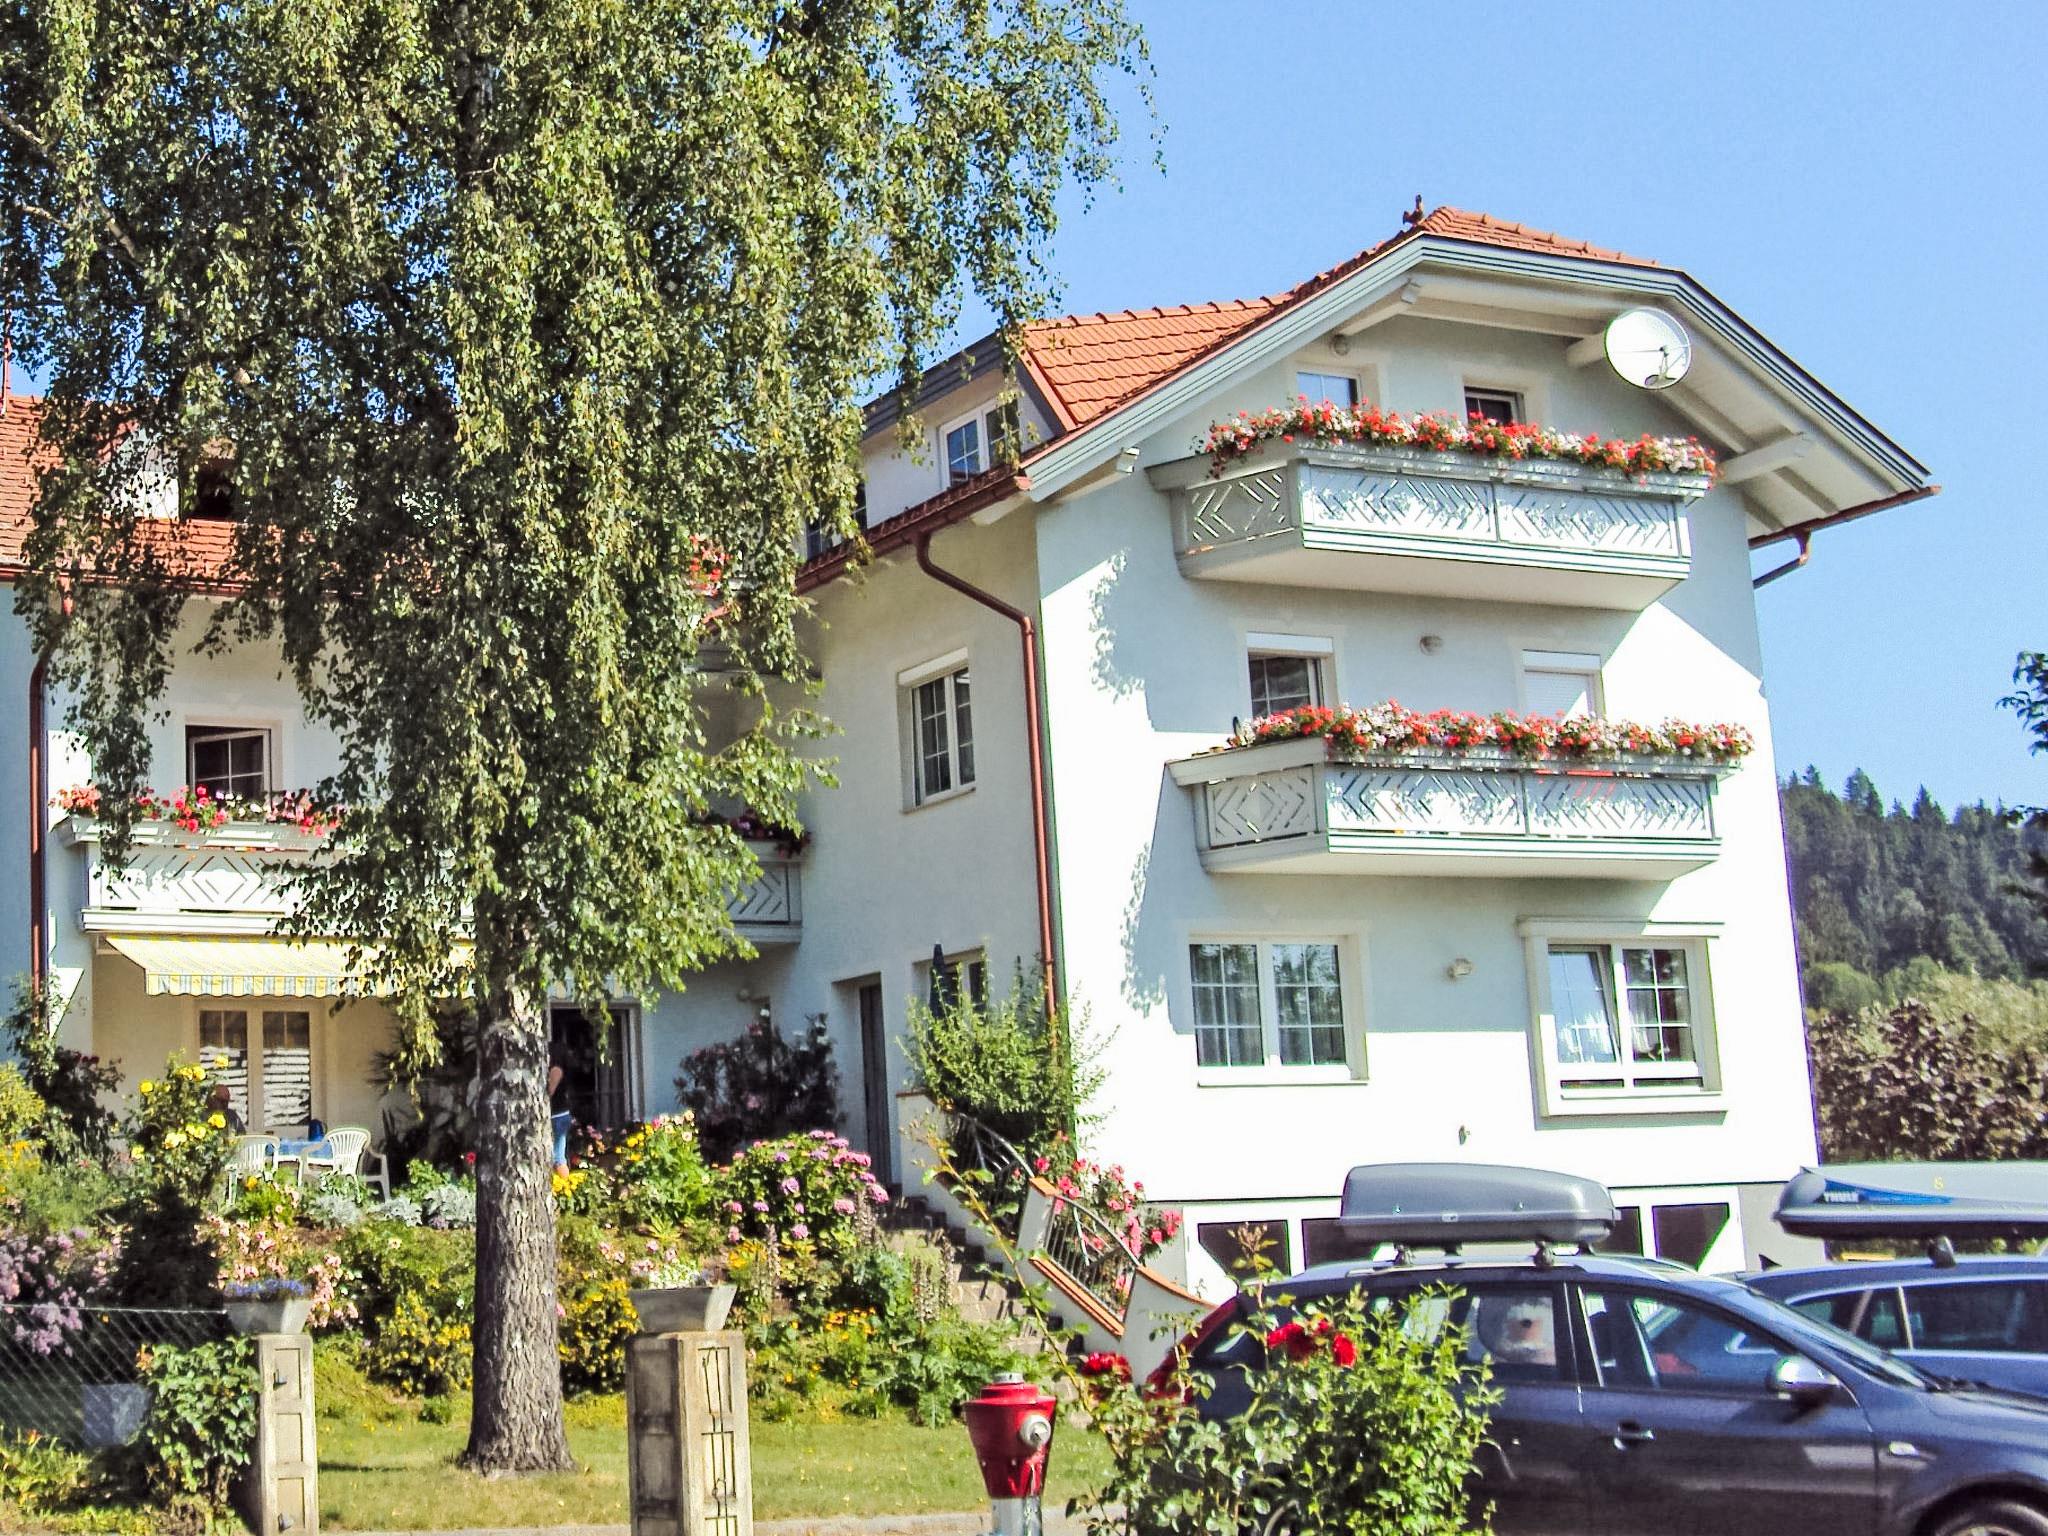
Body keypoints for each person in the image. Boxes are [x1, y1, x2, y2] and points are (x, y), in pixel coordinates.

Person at [547, 1049, 571, 1173]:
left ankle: (565, 1181)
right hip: (559, 1115)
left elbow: (550, 1091)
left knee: (558, 1159)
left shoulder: (556, 1069)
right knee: (557, 1156)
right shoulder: (557, 1069)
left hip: (558, 1116)